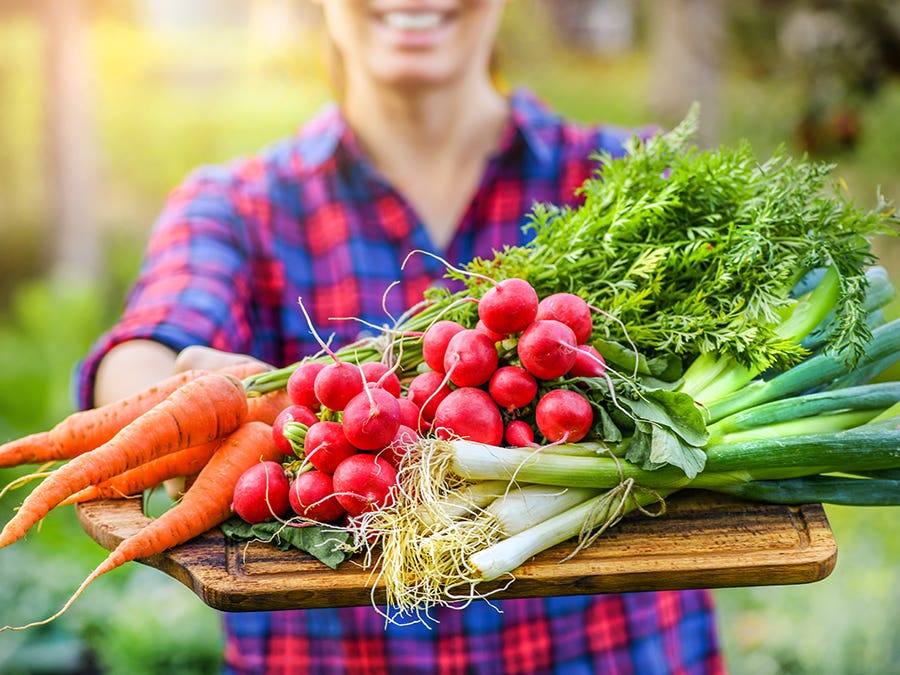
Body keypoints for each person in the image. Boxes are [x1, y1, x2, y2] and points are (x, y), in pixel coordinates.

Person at [76, 2, 725, 673]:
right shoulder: (236, 207)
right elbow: (152, 336)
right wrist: (164, 404)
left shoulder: (634, 178)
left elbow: (800, 344)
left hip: (612, 654)